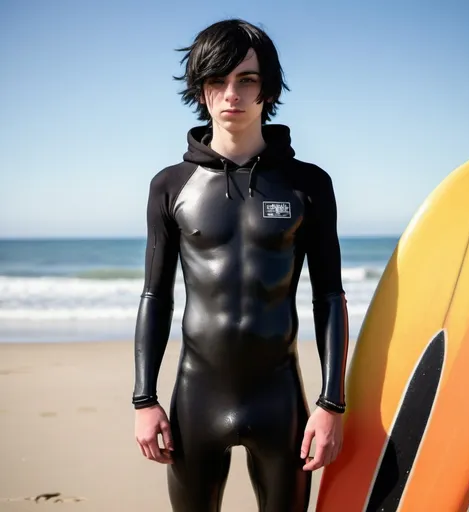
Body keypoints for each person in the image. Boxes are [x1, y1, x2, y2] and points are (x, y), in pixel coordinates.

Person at [132, 18, 349, 512]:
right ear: (201, 91)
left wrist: (331, 403)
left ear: (267, 90)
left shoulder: (308, 185)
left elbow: (329, 297)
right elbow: (156, 296)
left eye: (246, 80)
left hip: (280, 401)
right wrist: (144, 400)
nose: (232, 94)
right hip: (196, 398)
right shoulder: (170, 186)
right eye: (217, 80)